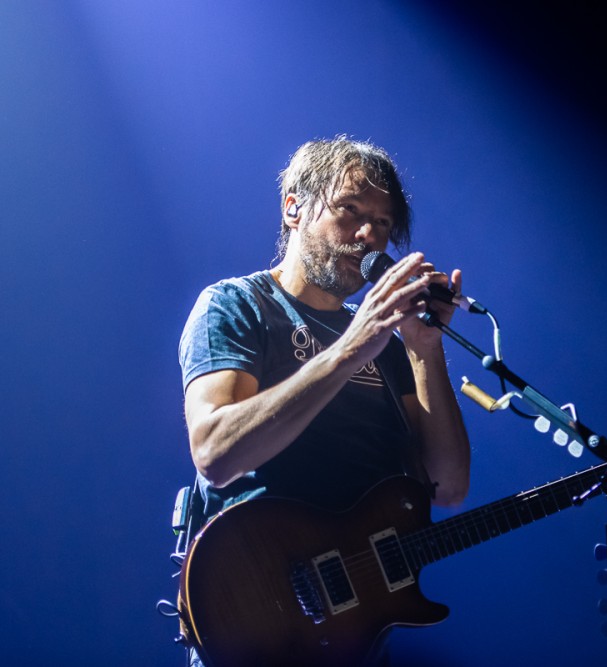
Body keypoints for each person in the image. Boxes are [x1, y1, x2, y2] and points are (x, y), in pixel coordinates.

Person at [176, 136, 471, 666]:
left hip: (353, 633)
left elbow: (448, 486)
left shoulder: (388, 341)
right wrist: (351, 347)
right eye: (350, 210)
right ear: (293, 208)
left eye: (382, 224)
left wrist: (425, 349)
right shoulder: (235, 305)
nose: (368, 236)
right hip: (255, 607)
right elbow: (216, 452)